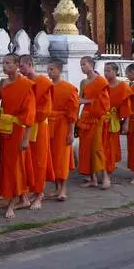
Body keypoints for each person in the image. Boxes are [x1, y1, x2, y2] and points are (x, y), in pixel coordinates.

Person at [0, 53, 35, 218]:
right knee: (7, 165)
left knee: (15, 166)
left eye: (8, 63)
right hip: (4, 129)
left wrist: (26, 137)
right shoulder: (3, 83)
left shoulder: (27, 85)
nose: (4, 66)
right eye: (3, 63)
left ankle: (12, 202)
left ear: (17, 64)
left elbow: (30, 114)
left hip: (18, 130)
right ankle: (23, 198)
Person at [19, 54, 54, 210]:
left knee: (39, 160)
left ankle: (39, 194)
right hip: (25, 126)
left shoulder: (44, 82)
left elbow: (46, 109)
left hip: (39, 125)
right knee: (28, 161)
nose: (20, 69)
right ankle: (32, 190)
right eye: (19, 66)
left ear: (30, 64)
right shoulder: (23, 83)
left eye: (22, 66)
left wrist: (30, 117)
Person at [47, 59, 79, 201]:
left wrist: (71, 132)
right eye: (48, 69)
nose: (49, 72)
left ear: (59, 70)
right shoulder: (46, 87)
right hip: (48, 125)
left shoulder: (69, 88)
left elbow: (72, 113)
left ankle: (63, 189)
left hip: (63, 126)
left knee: (62, 157)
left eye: (52, 69)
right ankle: (56, 187)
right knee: (52, 157)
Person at [77, 57, 111, 190]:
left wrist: (87, 101)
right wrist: (76, 119)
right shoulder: (83, 82)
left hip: (97, 119)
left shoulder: (101, 81)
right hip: (85, 118)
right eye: (81, 65)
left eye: (84, 64)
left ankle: (105, 177)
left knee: (97, 148)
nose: (82, 67)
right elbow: (79, 100)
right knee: (85, 149)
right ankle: (93, 179)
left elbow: (105, 103)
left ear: (91, 64)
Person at [103, 63, 132, 176]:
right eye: (105, 70)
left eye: (109, 70)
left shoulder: (123, 86)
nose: (106, 73)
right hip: (102, 119)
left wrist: (126, 123)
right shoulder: (103, 85)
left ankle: (108, 170)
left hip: (113, 120)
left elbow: (127, 107)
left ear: (116, 71)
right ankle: (104, 169)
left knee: (111, 145)